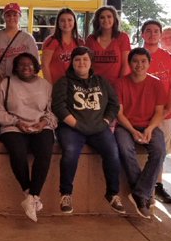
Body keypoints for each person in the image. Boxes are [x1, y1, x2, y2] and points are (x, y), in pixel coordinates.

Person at [52, 47, 126, 217]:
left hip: (99, 128)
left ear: (91, 62)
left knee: (113, 152)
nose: (81, 63)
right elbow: (58, 107)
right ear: (72, 62)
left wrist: (105, 122)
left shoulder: (101, 81)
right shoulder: (64, 82)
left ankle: (113, 193)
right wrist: (76, 124)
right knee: (70, 153)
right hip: (72, 128)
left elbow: (114, 104)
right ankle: (66, 194)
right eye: (77, 59)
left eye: (85, 59)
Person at [0, 52, 57, 222]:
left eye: (29, 64)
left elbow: (52, 112)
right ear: (15, 67)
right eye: (21, 64)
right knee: (17, 152)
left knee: (44, 151)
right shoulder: (6, 83)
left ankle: (32, 196)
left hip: (39, 125)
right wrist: (17, 122)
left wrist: (43, 123)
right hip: (13, 126)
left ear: (35, 66)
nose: (26, 67)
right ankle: (30, 193)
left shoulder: (45, 85)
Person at [114, 47, 168, 219]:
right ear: (130, 63)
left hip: (149, 125)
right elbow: (119, 113)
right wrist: (132, 130)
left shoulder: (156, 83)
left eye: (143, 61)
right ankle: (143, 194)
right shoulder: (120, 83)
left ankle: (139, 192)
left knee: (160, 151)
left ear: (149, 63)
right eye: (135, 61)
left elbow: (159, 112)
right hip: (126, 126)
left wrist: (150, 129)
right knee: (124, 149)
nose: (139, 65)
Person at [139, 20, 171, 205]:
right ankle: (143, 186)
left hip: (163, 114)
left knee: (160, 152)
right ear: (142, 35)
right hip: (140, 113)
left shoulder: (170, 60)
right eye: (148, 31)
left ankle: (157, 185)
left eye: (156, 31)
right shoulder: (136, 56)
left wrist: (169, 108)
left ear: (160, 35)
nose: (152, 34)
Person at [0, 3, 39, 80]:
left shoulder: (27, 38)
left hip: (20, 82)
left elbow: (35, 63)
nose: (11, 17)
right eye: (8, 15)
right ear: (3, 17)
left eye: (15, 15)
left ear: (20, 17)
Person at [85, 5, 131, 81]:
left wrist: (121, 85)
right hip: (95, 85)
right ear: (97, 20)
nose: (106, 20)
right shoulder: (91, 39)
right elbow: (87, 64)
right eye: (102, 17)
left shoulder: (123, 37)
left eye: (109, 16)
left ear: (114, 19)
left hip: (116, 85)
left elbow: (126, 65)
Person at [41, 7, 81, 85]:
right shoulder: (52, 41)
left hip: (75, 85)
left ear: (74, 22)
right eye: (62, 20)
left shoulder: (80, 42)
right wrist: (49, 86)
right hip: (57, 85)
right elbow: (45, 65)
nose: (66, 23)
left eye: (69, 20)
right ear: (58, 23)